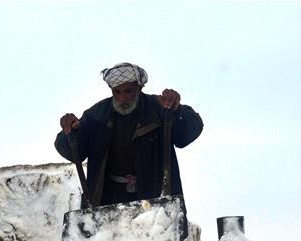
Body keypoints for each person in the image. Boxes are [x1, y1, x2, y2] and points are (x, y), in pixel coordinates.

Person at [55, 62, 203, 208]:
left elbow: (187, 134)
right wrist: (70, 132)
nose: (122, 98)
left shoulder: (159, 108)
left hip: (154, 197)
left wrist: (177, 110)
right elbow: (75, 153)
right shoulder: (97, 115)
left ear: (139, 88)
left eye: (128, 91)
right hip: (107, 199)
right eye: (117, 92)